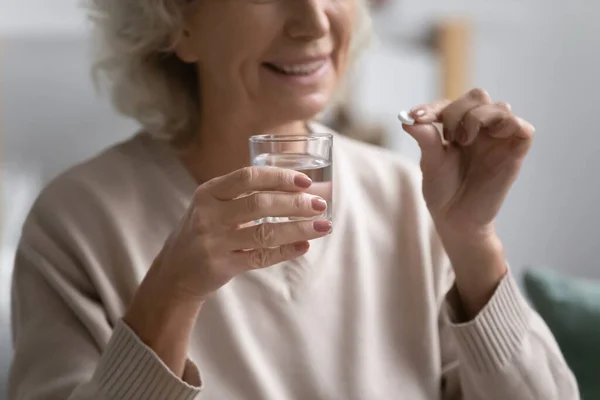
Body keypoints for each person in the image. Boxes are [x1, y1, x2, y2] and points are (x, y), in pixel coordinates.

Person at [9, 0, 579, 399]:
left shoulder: (412, 197)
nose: (313, 21)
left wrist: (474, 242)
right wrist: (171, 295)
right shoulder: (77, 223)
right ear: (178, 22)